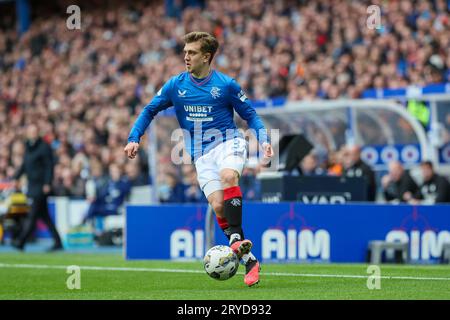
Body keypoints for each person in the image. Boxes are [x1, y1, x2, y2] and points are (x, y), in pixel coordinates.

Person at [124, 31, 273, 287]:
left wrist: (264, 139)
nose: (186, 57)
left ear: (207, 56)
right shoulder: (175, 85)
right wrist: (134, 136)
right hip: (201, 155)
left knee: (229, 176)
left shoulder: (226, 85)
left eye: (191, 52)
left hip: (229, 142)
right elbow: (149, 109)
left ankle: (236, 239)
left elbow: (251, 115)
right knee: (217, 206)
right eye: (184, 52)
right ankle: (249, 260)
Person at [13, 124, 63, 252]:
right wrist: (16, 177)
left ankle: (21, 241)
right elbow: (25, 164)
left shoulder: (43, 147)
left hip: (40, 186)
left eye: (35, 131)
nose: (33, 133)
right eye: (31, 131)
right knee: (44, 216)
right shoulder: (29, 147)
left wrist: (47, 183)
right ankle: (58, 242)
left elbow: (48, 166)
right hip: (32, 185)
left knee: (33, 214)